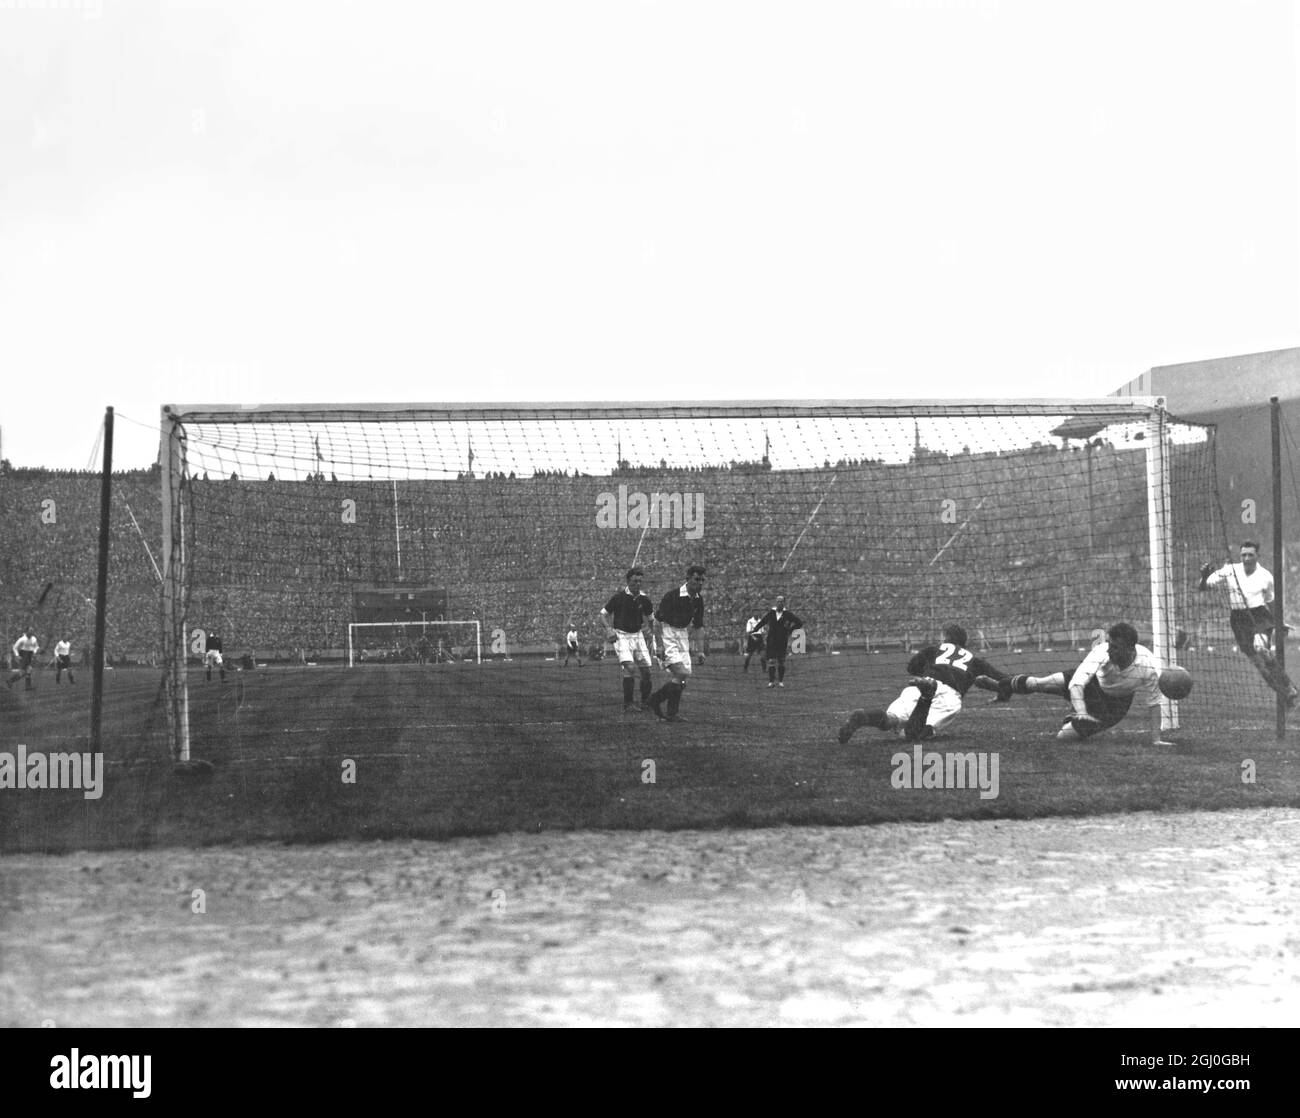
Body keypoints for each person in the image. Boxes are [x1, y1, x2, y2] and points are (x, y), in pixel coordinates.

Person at [1004, 621, 1175, 745]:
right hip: (1092, 685)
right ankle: (1002, 684)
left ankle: (1074, 717)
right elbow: (1077, 683)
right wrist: (1082, 711)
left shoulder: (1149, 665)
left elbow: (1154, 703)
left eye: (1115, 646)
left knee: (1064, 737)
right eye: (1109, 643)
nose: (1109, 649)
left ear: (1130, 649)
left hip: (1115, 706)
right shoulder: (1102, 651)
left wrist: (1156, 740)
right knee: (1038, 684)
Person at [837, 624, 1011, 742]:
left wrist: (929, 670)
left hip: (923, 682)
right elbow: (1003, 679)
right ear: (965, 642)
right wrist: (1002, 692)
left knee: (892, 720)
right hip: (949, 695)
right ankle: (927, 697)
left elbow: (912, 667)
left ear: (946, 638)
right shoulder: (974, 660)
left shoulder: (934, 649)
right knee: (912, 735)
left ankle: (863, 717)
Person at [1198, 540, 1298, 709]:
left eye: (1250, 554)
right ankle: (1288, 694)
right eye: (1243, 554)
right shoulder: (1230, 570)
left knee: (1261, 648)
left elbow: (1271, 602)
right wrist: (1205, 576)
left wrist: (1279, 622)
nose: (1246, 558)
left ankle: (1289, 686)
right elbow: (1203, 587)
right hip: (1238, 620)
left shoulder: (1266, 576)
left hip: (1259, 616)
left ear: (1257, 555)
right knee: (1260, 666)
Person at [648, 564, 706, 722]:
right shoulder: (672, 596)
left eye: (702, 580)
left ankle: (672, 714)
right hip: (666, 633)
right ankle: (655, 699)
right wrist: (659, 645)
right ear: (687, 579)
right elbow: (657, 622)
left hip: (682, 635)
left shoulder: (698, 600)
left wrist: (700, 651)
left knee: (682, 679)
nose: (700, 583)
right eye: (696, 579)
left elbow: (699, 626)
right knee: (681, 673)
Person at [598, 567, 656, 713]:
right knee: (630, 667)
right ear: (628, 581)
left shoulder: (645, 599)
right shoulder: (618, 598)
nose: (638, 584)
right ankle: (628, 703)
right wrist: (608, 629)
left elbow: (651, 620)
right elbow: (602, 615)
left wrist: (650, 631)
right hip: (621, 636)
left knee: (647, 672)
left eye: (640, 581)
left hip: (638, 636)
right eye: (635, 581)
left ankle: (645, 702)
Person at [751, 595, 804, 688]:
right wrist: (755, 629)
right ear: (776, 603)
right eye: (778, 601)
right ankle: (771, 682)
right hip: (771, 641)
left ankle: (780, 682)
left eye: (781, 601)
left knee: (781, 661)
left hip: (782, 641)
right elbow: (763, 622)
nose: (780, 603)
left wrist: (790, 630)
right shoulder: (771, 613)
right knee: (771, 661)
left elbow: (799, 623)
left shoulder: (788, 614)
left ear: (784, 603)